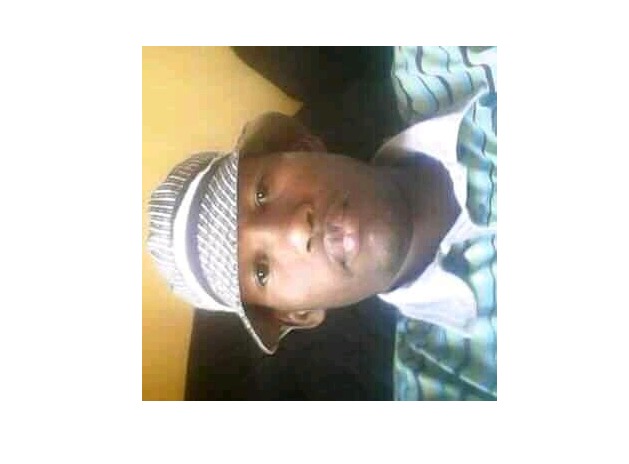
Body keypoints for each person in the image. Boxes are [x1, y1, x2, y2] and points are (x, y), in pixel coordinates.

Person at [147, 46, 496, 398]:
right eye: (261, 271)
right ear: (299, 314)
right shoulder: (446, 382)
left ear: (304, 147)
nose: (296, 231)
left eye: (261, 193)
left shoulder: (444, 54)